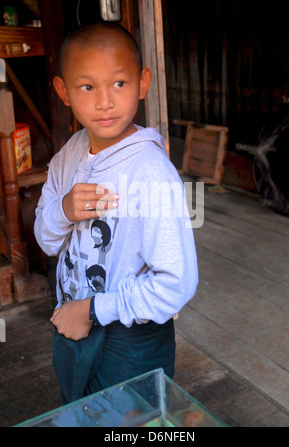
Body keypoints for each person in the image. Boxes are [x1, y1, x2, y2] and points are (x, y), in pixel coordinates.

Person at [34, 22, 198, 405]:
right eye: (87, 87)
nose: (104, 101)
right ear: (64, 91)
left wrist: (93, 309)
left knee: (129, 423)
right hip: (71, 323)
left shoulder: (150, 172)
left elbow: (175, 284)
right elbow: (47, 240)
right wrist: (63, 211)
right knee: (78, 409)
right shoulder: (67, 158)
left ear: (142, 83)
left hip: (130, 340)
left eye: (119, 84)